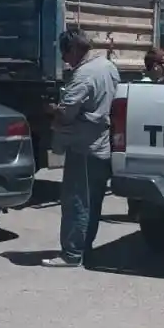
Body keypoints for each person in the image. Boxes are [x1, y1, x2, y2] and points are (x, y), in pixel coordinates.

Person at [43, 29, 120, 268]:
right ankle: (85, 249)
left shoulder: (83, 75)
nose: (65, 60)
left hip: (83, 147)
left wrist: (51, 109)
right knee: (93, 202)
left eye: (65, 53)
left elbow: (66, 114)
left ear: (74, 49)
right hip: (102, 146)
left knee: (76, 201)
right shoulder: (108, 67)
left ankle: (71, 254)